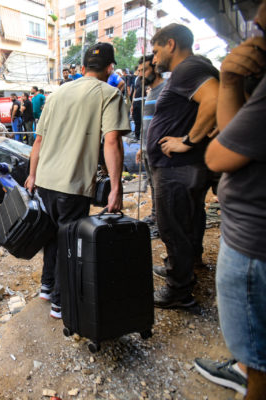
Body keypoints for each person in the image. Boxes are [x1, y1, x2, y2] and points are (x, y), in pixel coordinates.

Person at [25, 42, 129, 319]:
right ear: (110, 68)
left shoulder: (57, 94)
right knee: (69, 242)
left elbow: (38, 140)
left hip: (45, 179)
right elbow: (112, 141)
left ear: (82, 69)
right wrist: (116, 188)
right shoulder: (109, 94)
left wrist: (32, 175)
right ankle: (60, 302)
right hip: (73, 184)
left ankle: (47, 287)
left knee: (52, 237)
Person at [196, 3, 266, 397]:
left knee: (259, 362)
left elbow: (217, 154)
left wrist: (190, 141)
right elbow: (231, 129)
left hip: (253, 246)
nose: (254, 39)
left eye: (262, 31)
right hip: (250, 237)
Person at [147, 23, 219, 308]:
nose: (153, 59)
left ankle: (179, 291)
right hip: (184, 167)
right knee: (188, 220)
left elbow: (213, 99)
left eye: (155, 51)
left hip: (177, 167)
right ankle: (186, 265)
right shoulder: (193, 69)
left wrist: (188, 140)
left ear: (171, 44)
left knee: (173, 227)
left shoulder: (188, 68)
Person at [134, 54, 165, 239]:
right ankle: (155, 218)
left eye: (144, 70)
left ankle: (162, 225)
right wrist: (141, 147)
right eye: (138, 71)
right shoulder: (150, 92)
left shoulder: (165, 90)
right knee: (153, 187)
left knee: (161, 190)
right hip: (147, 149)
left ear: (154, 69)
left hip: (160, 151)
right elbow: (147, 124)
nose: (140, 75)